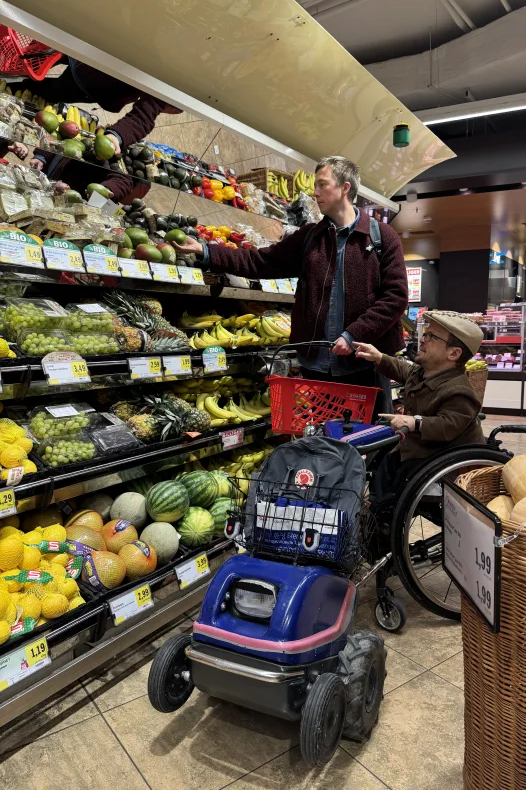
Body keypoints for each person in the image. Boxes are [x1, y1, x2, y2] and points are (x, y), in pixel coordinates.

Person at [173, 155, 408, 409]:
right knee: (322, 442)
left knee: (369, 439)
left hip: (364, 364)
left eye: (322, 184)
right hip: (317, 365)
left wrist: (354, 334)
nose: (315, 192)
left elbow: (395, 297)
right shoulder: (309, 238)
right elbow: (261, 261)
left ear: (345, 188)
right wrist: (206, 251)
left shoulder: (381, 237)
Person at [354, 310, 485, 508]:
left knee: (395, 481)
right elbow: (403, 369)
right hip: (421, 450)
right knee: (383, 466)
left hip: (443, 459)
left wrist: (415, 422)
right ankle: (376, 513)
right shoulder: (424, 372)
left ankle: (384, 517)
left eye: (431, 336)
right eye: (425, 333)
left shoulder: (459, 391)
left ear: (454, 353)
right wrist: (379, 357)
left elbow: (447, 425)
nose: (423, 340)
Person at [18, 58, 181, 157]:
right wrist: (117, 136)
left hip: (89, 59)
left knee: (39, 78)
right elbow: (143, 117)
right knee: (45, 91)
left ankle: (17, 82)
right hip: (92, 79)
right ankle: (15, 88)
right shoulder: (170, 84)